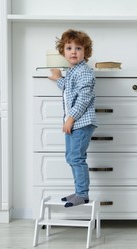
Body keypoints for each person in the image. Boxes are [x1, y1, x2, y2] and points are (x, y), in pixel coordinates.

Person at [48, 29, 97, 207]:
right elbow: (70, 89)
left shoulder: (84, 72)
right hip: (75, 123)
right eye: (69, 48)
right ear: (63, 52)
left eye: (78, 48)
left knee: (76, 158)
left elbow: (84, 98)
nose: (73, 51)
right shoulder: (74, 71)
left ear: (86, 52)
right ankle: (78, 191)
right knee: (71, 157)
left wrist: (71, 119)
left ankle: (82, 194)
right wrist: (58, 79)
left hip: (81, 123)